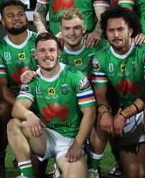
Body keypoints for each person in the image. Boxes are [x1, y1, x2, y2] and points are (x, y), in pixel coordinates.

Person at [7, 32, 96, 178]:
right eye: (42, 50)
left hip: (69, 141)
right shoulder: (32, 79)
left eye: (52, 50)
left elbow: (90, 113)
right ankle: (27, 175)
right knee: (13, 124)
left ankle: (60, 169)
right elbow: (17, 108)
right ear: (35, 55)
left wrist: (77, 145)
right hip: (43, 135)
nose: (47, 55)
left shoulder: (75, 76)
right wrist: (29, 115)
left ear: (59, 53)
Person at [89, 7, 145, 178]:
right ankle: (92, 168)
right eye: (111, 30)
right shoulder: (100, 57)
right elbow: (100, 95)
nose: (116, 35)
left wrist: (124, 115)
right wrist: (105, 113)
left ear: (131, 30)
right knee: (133, 174)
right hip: (125, 110)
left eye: (120, 29)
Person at [0, 0, 38, 175]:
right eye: (10, 16)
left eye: (20, 14)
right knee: (0, 108)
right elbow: (1, 88)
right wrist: (23, 106)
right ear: (2, 21)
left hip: (41, 96)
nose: (16, 18)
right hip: (14, 98)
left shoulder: (40, 41)